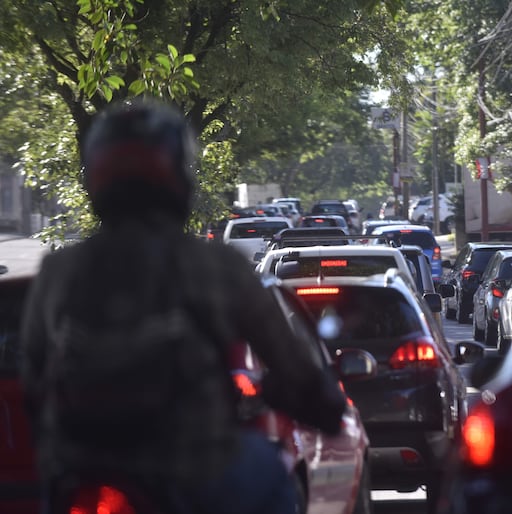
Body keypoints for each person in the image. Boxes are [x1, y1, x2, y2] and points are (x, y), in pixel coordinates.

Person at [19, 98, 346, 514]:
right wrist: (325, 405)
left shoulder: (58, 271)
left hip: (81, 473)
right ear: (178, 176)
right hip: (196, 472)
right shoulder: (213, 265)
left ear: (97, 178)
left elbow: (33, 378)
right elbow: (288, 360)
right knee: (270, 472)